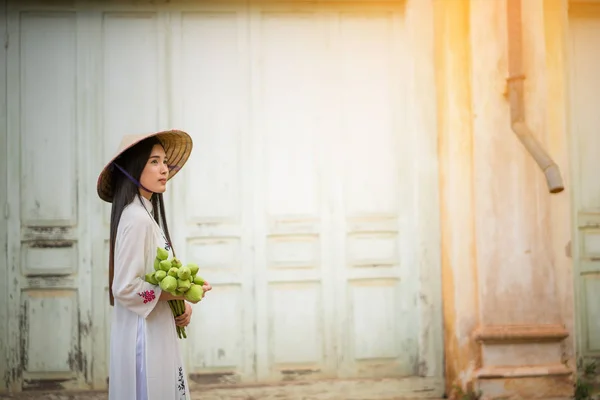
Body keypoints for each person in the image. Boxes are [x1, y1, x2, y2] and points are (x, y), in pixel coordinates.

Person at [96, 129, 212, 400]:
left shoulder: (145, 215)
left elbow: (152, 278)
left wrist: (180, 304)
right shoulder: (136, 219)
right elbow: (124, 287)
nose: (164, 169)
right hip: (143, 337)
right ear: (133, 168)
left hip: (156, 328)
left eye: (164, 162)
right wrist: (177, 293)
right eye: (154, 161)